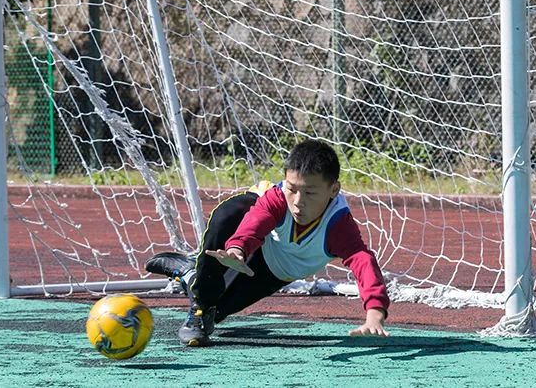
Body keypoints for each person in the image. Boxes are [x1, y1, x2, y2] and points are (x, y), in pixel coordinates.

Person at [145, 139, 390, 346]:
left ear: (334, 189)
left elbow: (362, 261)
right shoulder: (277, 198)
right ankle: (200, 305)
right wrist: (237, 247)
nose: (298, 201)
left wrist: (374, 314)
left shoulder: (338, 224)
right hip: (255, 241)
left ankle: (190, 273)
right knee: (228, 214)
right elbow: (256, 220)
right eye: (292, 189)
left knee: (219, 309)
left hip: (276, 271)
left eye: (311, 193)